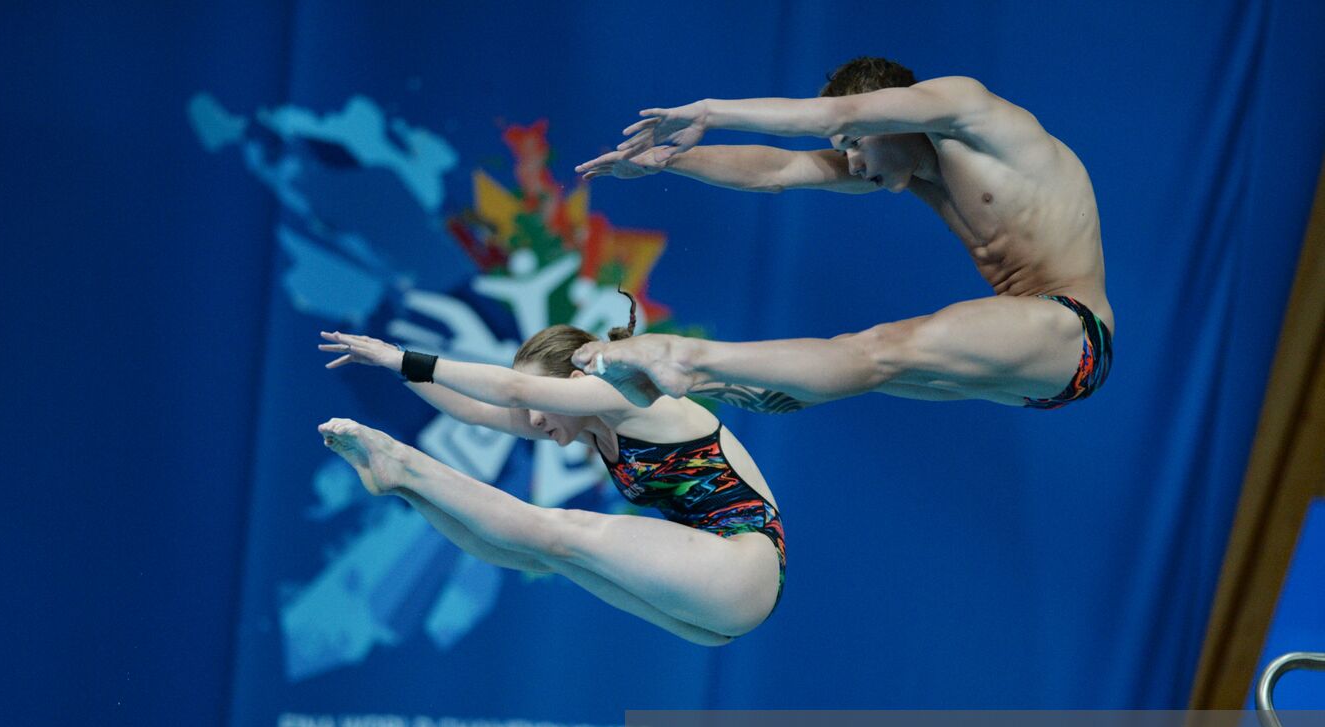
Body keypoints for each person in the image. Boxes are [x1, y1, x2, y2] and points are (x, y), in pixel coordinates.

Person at [572, 56, 1113, 411]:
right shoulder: (911, 166)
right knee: (853, 359)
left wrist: (711, 111)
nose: (852, 162)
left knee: (878, 350)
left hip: (1072, 332)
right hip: (1031, 380)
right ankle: (696, 383)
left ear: (895, 115)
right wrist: (669, 159)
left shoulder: (968, 110)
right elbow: (777, 172)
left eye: (855, 141)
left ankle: (686, 358)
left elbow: (842, 109)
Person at [315, 296, 785, 647]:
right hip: (711, 611)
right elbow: (476, 411)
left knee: (568, 529)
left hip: (742, 565)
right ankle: (403, 486)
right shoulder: (590, 429)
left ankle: (404, 464)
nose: (535, 420)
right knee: (545, 555)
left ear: (577, 385)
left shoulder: (628, 393)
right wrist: (396, 366)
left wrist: (402, 357)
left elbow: (512, 390)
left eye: (543, 402)